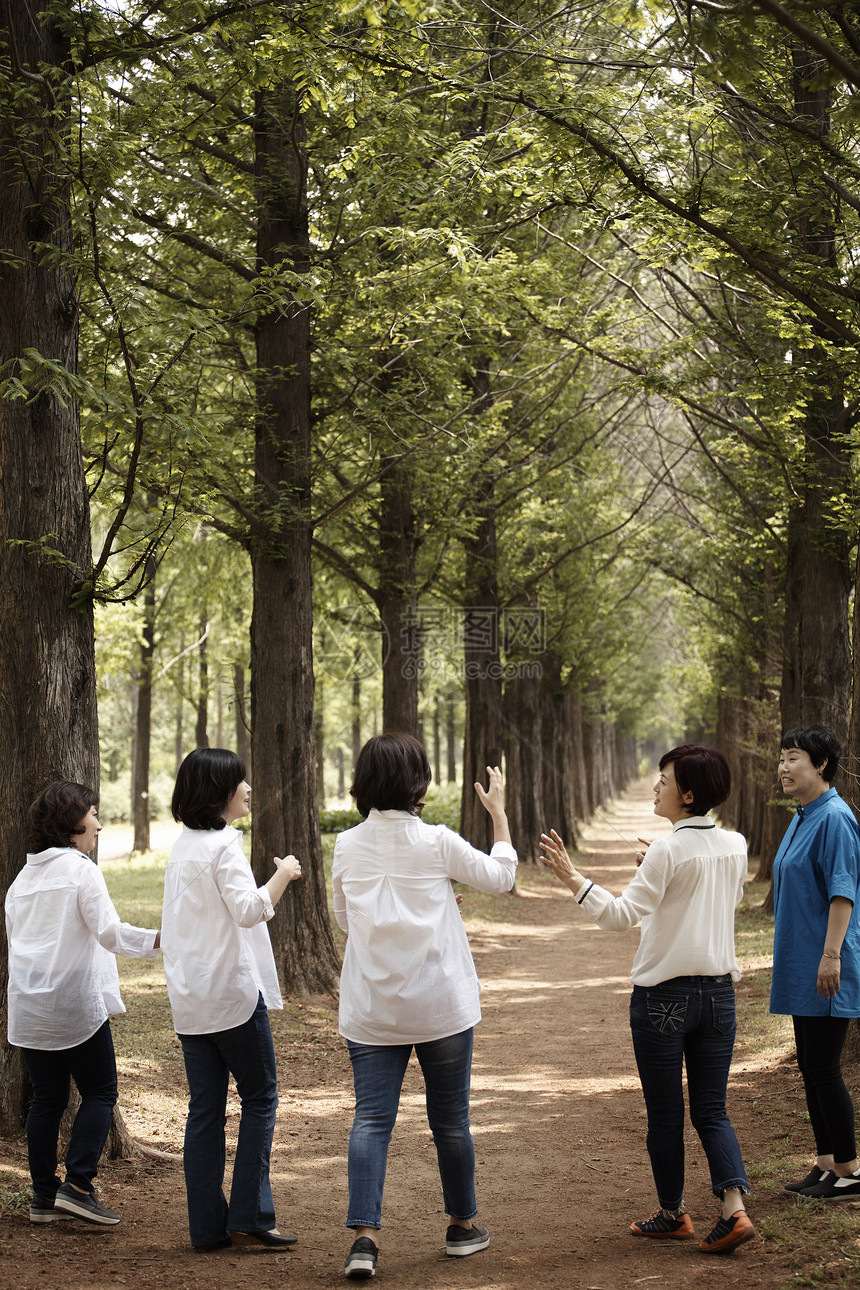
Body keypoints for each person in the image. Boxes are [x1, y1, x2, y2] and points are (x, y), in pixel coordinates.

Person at [540, 744, 756, 1255]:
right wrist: (659, 873)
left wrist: (573, 878)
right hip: (719, 997)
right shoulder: (736, 844)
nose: (656, 787)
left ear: (687, 793)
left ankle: (673, 1213)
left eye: (664, 780)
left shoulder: (667, 850)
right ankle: (733, 1209)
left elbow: (619, 916)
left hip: (664, 998)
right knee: (712, 1109)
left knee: (665, 1112)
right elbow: (721, 901)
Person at [333, 734, 517, 1280]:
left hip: (372, 1009)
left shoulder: (347, 844)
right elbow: (502, 877)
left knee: (371, 1120)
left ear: (364, 781)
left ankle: (364, 1240)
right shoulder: (437, 841)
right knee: (451, 1122)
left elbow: (347, 920)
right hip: (440, 1005)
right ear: (419, 781)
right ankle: (462, 1227)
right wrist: (499, 816)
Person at [160, 748, 302, 1252]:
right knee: (261, 1098)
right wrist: (285, 872)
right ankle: (249, 1216)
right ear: (219, 793)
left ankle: (206, 1229)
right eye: (240, 782)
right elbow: (249, 911)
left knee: (205, 1111)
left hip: (191, 1000)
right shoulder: (223, 846)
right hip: (233, 998)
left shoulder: (182, 847)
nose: (247, 789)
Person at [5, 781, 160, 1227]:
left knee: (47, 1100)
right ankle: (77, 1186)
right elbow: (109, 933)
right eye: (92, 813)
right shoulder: (80, 869)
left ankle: (41, 1197)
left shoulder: (22, 880)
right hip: (72, 1002)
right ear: (72, 824)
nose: (98, 823)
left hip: (29, 1006)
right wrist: (160, 939)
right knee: (99, 1091)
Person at [770, 725, 860, 1200]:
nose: (784, 767)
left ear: (821, 764)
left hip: (828, 965)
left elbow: (842, 893)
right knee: (810, 1064)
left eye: (793, 758)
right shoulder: (804, 815)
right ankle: (826, 1164)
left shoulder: (835, 818)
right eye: (782, 759)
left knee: (823, 1066)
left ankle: (850, 1171)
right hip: (802, 961)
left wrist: (830, 956)